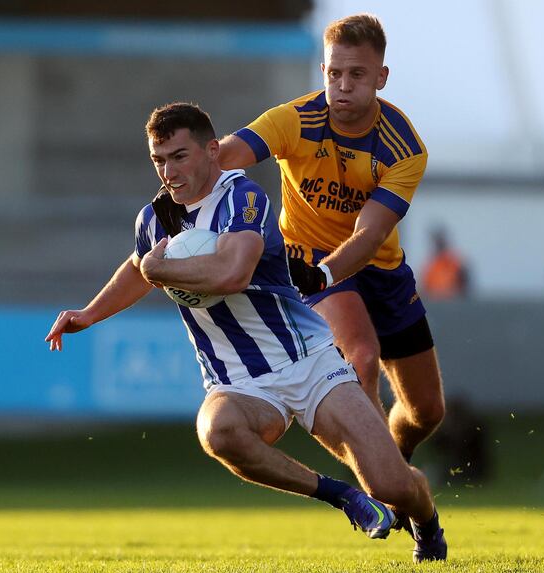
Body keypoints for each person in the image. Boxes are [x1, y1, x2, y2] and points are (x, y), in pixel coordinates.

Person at [45, 103, 446, 562]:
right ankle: (341, 496)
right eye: (158, 160)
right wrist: (91, 313)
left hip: (308, 359)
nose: (168, 171)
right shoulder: (153, 219)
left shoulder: (244, 198)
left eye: (179, 156)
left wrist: (162, 270)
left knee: (392, 485)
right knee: (216, 431)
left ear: (212, 151)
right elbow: (139, 269)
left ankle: (426, 521)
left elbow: (233, 273)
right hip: (237, 380)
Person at [218, 13, 445, 539]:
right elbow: (229, 153)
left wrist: (324, 273)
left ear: (381, 78)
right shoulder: (294, 119)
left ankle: (394, 461)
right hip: (306, 260)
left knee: (426, 411)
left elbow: (368, 237)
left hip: (377, 268)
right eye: (335, 73)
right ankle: (383, 488)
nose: (343, 86)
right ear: (322, 69)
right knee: (361, 356)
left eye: (357, 75)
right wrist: (188, 177)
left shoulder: (404, 147)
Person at [421, 227, 469, 300]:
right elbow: (425, 289)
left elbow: (464, 286)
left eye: (441, 240)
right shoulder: (430, 267)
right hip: (436, 305)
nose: (439, 243)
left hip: (453, 304)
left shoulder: (456, 263)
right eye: (437, 241)